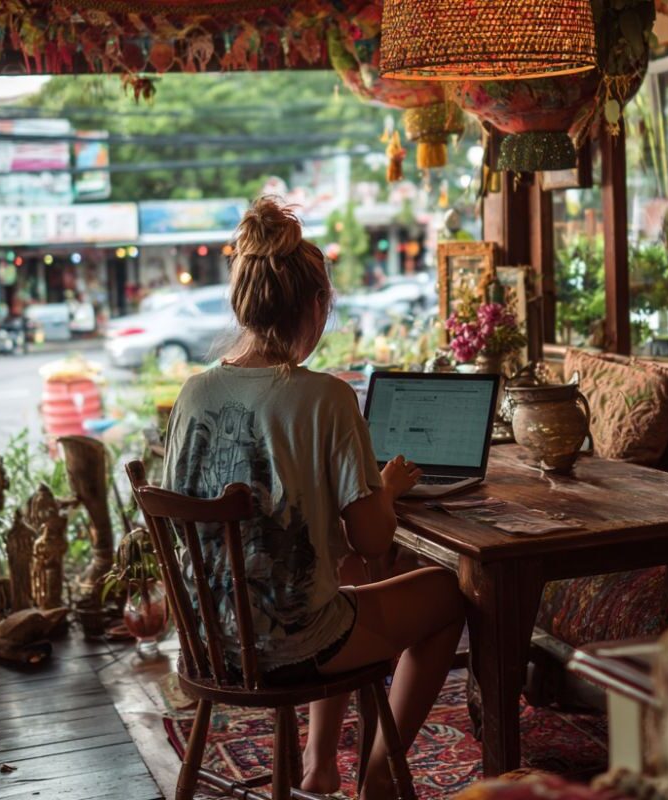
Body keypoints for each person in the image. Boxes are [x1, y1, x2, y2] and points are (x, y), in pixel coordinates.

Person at [162, 197, 465, 799]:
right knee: (447, 594)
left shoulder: (194, 394)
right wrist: (385, 488)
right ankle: (379, 775)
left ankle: (319, 762)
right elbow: (373, 539)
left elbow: (185, 519)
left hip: (211, 638)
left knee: (340, 571)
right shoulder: (328, 398)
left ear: (243, 304)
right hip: (290, 645)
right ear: (316, 305)